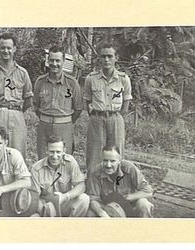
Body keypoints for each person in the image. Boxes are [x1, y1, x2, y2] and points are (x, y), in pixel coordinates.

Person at [0, 33, 33, 159]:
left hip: (16, 114)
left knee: (18, 151)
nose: (6, 51)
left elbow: (29, 100)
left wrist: (15, 111)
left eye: (9, 48)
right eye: (3, 47)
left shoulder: (22, 73)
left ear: (14, 49)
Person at [83, 43, 132, 174]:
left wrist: (115, 117)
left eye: (110, 56)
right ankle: (93, 187)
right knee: (94, 154)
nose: (106, 60)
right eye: (103, 56)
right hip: (97, 119)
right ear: (99, 58)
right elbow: (87, 100)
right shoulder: (91, 79)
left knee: (116, 154)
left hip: (115, 119)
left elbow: (126, 104)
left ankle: (116, 186)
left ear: (116, 57)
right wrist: (95, 115)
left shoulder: (123, 79)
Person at [33, 45, 82, 159]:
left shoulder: (72, 83)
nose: (54, 64)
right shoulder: (40, 82)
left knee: (64, 159)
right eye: (51, 60)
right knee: (44, 158)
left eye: (58, 60)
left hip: (64, 125)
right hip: (44, 125)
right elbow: (36, 106)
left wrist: (65, 120)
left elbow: (78, 108)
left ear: (63, 61)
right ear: (47, 61)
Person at [30, 135, 89, 217]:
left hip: (64, 202)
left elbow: (81, 185)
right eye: (51, 152)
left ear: (64, 151)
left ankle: (72, 226)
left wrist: (65, 196)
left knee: (84, 199)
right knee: (33, 218)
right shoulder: (36, 169)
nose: (55, 156)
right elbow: (35, 197)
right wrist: (46, 210)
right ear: (46, 150)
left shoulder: (70, 162)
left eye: (58, 152)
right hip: (46, 207)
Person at [87, 145, 154, 218]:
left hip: (130, 205)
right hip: (107, 207)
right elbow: (93, 199)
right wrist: (101, 213)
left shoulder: (129, 168)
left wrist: (130, 197)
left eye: (112, 161)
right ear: (101, 160)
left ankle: (144, 228)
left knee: (144, 204)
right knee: (90, 214)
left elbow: (148, 191)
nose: (108, 165)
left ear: (119, 160)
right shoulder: (96, 172)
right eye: (105, 160)